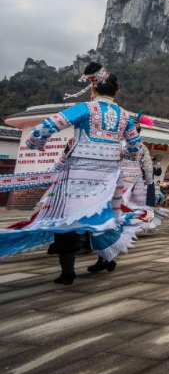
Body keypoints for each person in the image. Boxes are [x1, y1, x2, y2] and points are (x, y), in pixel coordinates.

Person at [0, 62, 152, 284]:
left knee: (66, 218)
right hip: (109, 175)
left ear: (93, 89)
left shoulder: (84, 109)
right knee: (103, 217)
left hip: (78, 173)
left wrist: (36, 143)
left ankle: (68, 271)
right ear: (117, 92)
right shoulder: (124, 116)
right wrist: (121, 153)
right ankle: (106, 258)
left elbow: (47, 126)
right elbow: (135, 147)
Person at [119, 121, 167, 234]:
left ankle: (123, 226)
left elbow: (115, 160)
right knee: (137, 203)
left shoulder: (120, 144)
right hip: (137, 176)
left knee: (123, 202)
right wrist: (149, 181)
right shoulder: (142, 146)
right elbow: (148, 166)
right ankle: (136, 225)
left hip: (122, 176)